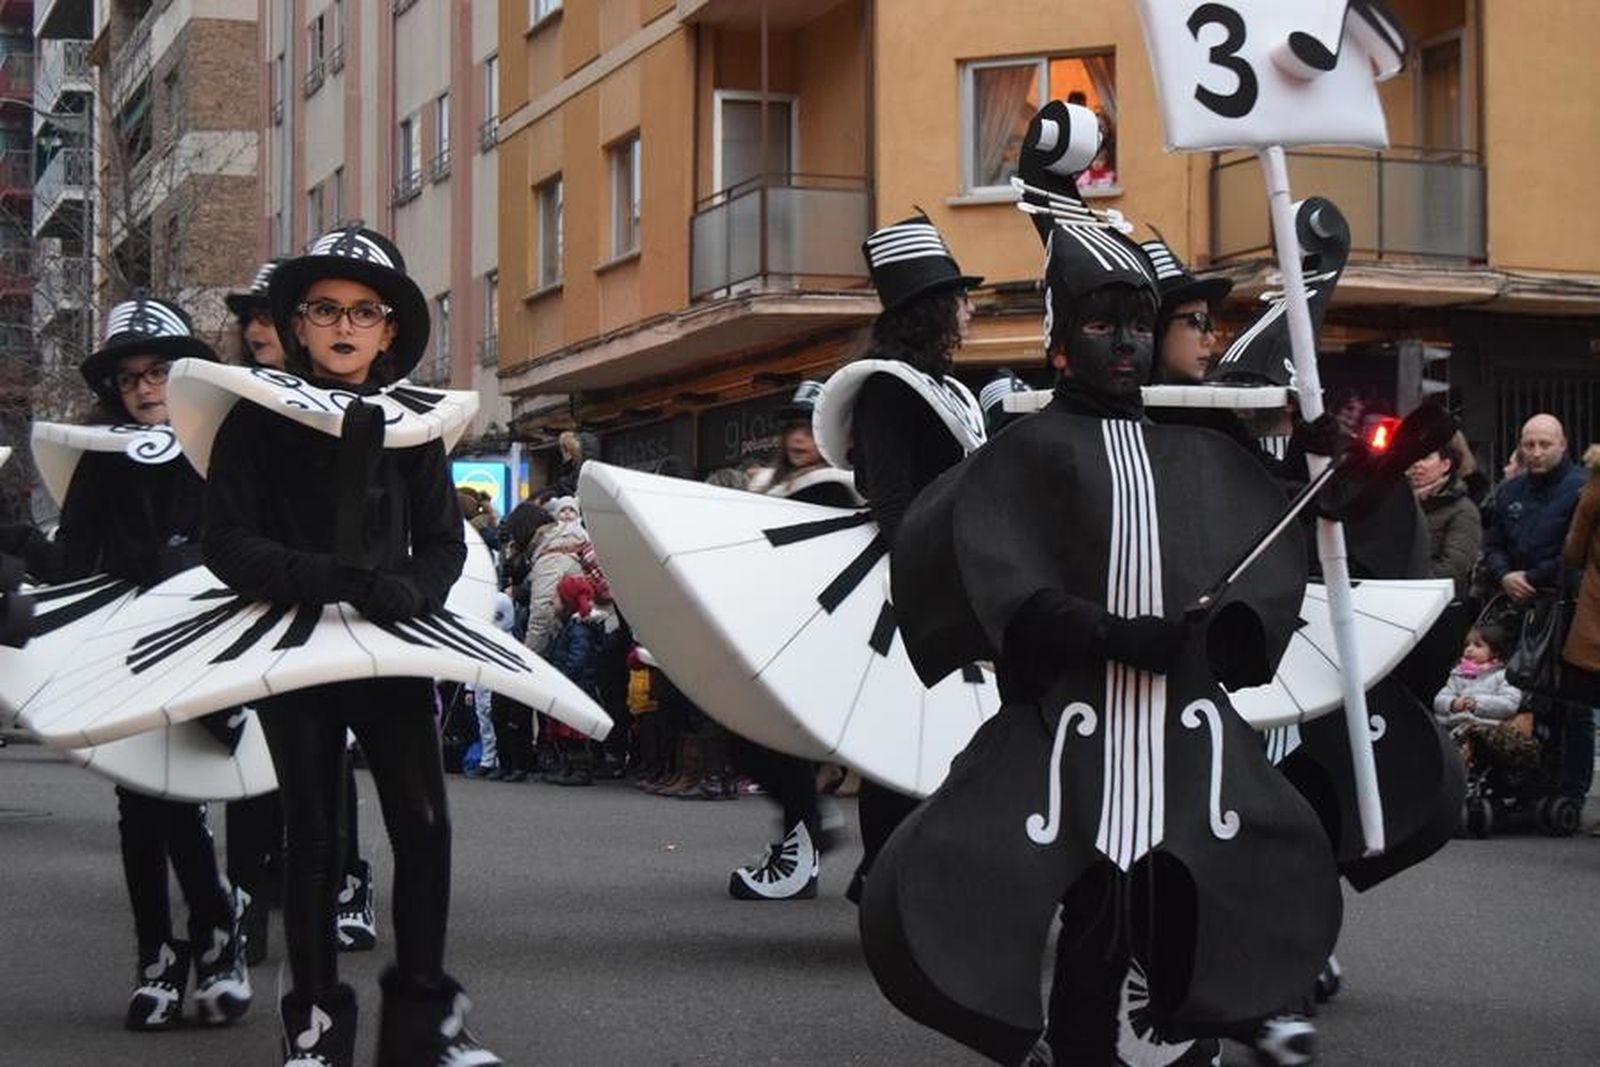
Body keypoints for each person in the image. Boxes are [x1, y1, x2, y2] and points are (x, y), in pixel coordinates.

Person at [859, 115, 1341, 1066]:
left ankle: (1228, 1010)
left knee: (1196, 886)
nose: (1125, 342)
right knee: (1089, 915)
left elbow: (1256, 553)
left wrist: (1327, 486)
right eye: (1100, 322)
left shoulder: (1187, 448)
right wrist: (1117, 634)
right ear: (1060, 340)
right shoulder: (1026, 448)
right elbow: (1011, 584)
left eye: (1137, 322)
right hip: (1070, 736)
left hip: (1177, 737)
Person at [200, 225, 497, 1066]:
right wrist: (323, 575)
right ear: (297, 324)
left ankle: (426, 1018)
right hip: (295, 643)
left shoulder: (413, 425)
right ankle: (316, 1025)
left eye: (364, 311)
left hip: (392, 646)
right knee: (314, 833)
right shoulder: (255, 419)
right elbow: (225, 540)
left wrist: (412, 587)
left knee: (426, 823)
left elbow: (446, 542)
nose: (343, 325)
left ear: (389, 330)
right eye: (325, 308)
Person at [6, 298, 253, 1032]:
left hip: (208, 651)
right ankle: (160, 955)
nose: (145, 387)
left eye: (161, 372)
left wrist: (177, 564)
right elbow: (72, 561)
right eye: (130, 376)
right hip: (122, 653)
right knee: (141, 806)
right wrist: (16, 543)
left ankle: (214, 939)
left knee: (176, 800)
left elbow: (243, 546)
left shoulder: (227, 450)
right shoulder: (99, 460)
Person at [222, 257, 379, 965]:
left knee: (329, 757)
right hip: (258, 600)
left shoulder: (349, 400)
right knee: (251, 759)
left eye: (266, 313)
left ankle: (347, 883)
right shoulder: (240, 406)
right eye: (246, 316)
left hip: (340, 610)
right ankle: (246, 898)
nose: (255, 327)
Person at [829, 213, 988, 902]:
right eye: (960, 297)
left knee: (951, 730)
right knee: (903, 733)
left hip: (953, 574)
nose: (971, 308)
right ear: (933, 311)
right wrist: (933, 577)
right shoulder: (887, 388)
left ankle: (912, 872)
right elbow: (890, 500)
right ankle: (883, 873)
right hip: (909, 584)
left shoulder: (948, 386)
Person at [730, 381, 862, 900]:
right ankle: (805, 832)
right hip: (771, 630)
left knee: (773, 741)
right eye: (791, 426)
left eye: (808, 427)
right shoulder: (770, 487)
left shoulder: (832, 486)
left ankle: (803, 843)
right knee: (753, 738)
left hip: (812, 634)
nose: (798, 437)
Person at [1480, 413, 1591, 800]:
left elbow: (1578, 552)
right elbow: (1491, 543)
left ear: (1563, 445)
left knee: (1573, 704)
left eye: (1545, 444)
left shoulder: (1582, 488)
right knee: (1520, 697)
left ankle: (1571, 792)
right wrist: (1504, 574)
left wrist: (1533, 577)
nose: (1536, 452)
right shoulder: (1510, 492)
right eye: (1529, 444)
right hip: (1517, 606)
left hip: (1565, 606)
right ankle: (1526, 783)